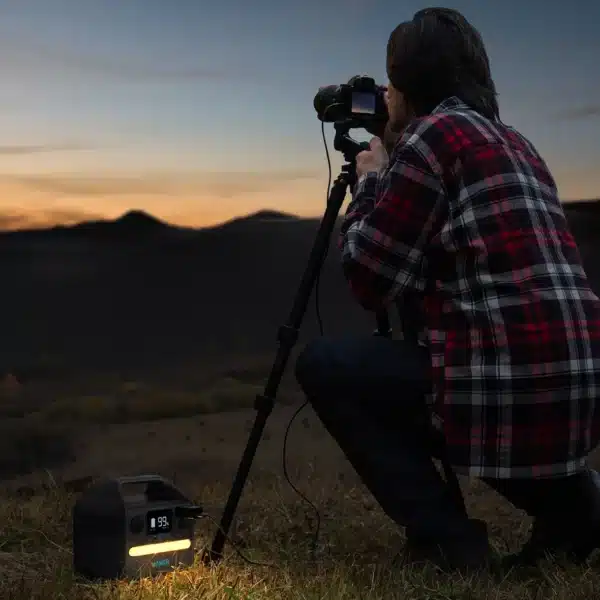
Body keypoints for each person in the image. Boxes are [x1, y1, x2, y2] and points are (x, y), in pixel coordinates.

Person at [294, 7, 600, 574]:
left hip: (506, 383)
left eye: (390, 87)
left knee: (327, 364)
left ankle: (447, 541)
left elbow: (368, 276)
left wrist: (371, 179)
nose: (384, 99)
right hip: (579, 381)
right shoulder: (517, 142)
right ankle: (577, 504)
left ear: (409, 88)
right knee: (476, 375)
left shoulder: (433, 136)